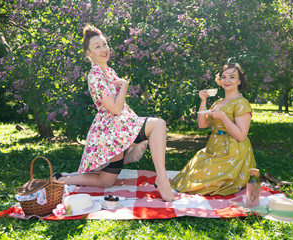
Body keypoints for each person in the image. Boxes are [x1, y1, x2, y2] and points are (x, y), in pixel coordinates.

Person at [53, 25, 174, 202]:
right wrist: (125, 85)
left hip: (116, 128)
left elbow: (119, 108)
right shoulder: (95, 75)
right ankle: (162, 179)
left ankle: (62, 178)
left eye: (104, 44)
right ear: (89, 53)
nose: (104, 49)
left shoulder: (108, 71)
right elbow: (115, 109)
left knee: (105, 181)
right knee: (158, 124)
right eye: (97, 47)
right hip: (110, 130)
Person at [170, 63, 256, 196]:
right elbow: (202, 124)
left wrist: (223, 117)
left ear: (239, 81)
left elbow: (241, 136)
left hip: (233, 152)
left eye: (232, 77)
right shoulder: (218, 102)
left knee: (199, 183)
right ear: (219, 80)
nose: (227, 81)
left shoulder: (241, 103)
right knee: (189, 177)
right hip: (214, 148)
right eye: (224, 77)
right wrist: (203, 100)